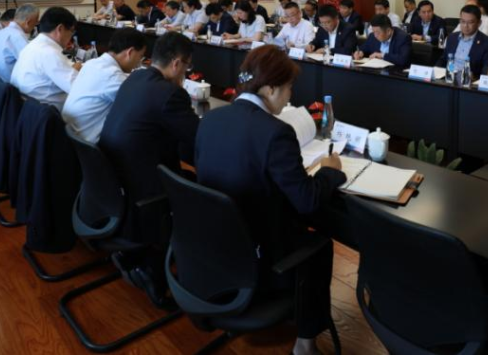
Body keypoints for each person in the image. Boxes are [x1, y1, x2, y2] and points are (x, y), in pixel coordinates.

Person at [194, 46, 345, 355]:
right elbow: (307, 201)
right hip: (259, 253)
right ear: (271, 88)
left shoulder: (211, 119)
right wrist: (330, 172)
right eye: (289, 88)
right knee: (319, 245)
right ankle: (305, 344)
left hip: (214, 245)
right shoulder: (276, 132)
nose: (290, 96)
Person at [100, 33, 200, 302]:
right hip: (143, 188)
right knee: (201, 187)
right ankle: (169, 269)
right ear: (177, 64)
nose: (185, 73)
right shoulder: (170, 93)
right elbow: (198, 136)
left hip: (115, 179)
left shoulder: (135, 78)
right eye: (187, 67)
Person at [62, 28, 147, 144]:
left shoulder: (92, 63)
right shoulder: (112, 76)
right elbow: (142, 105)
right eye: (140, 56)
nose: (138, 62)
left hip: (71, 136)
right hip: (87, 145)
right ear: (130, 52)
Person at [10, 6, 81, 110]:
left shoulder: (35, 44)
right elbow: (78, 88)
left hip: (28, 108)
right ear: (60, 29)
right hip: (46, 113)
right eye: (71, 31)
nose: (71, 37)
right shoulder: (49, 52)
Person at [438, 5, 488, 78]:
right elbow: (443, 59)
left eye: (470, 22)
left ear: (479, 23)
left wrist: (473, 76)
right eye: (463, 21)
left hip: (469, 80)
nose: (465, 26)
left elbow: (486, 68)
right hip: (449, 77)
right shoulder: (452, 37)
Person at [0, 4, 39, 82]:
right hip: (8, 83)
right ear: (28, 22)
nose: (35, 25)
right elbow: (31, 63)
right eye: (36, 22)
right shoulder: (17, 36)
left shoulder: (1, 32)